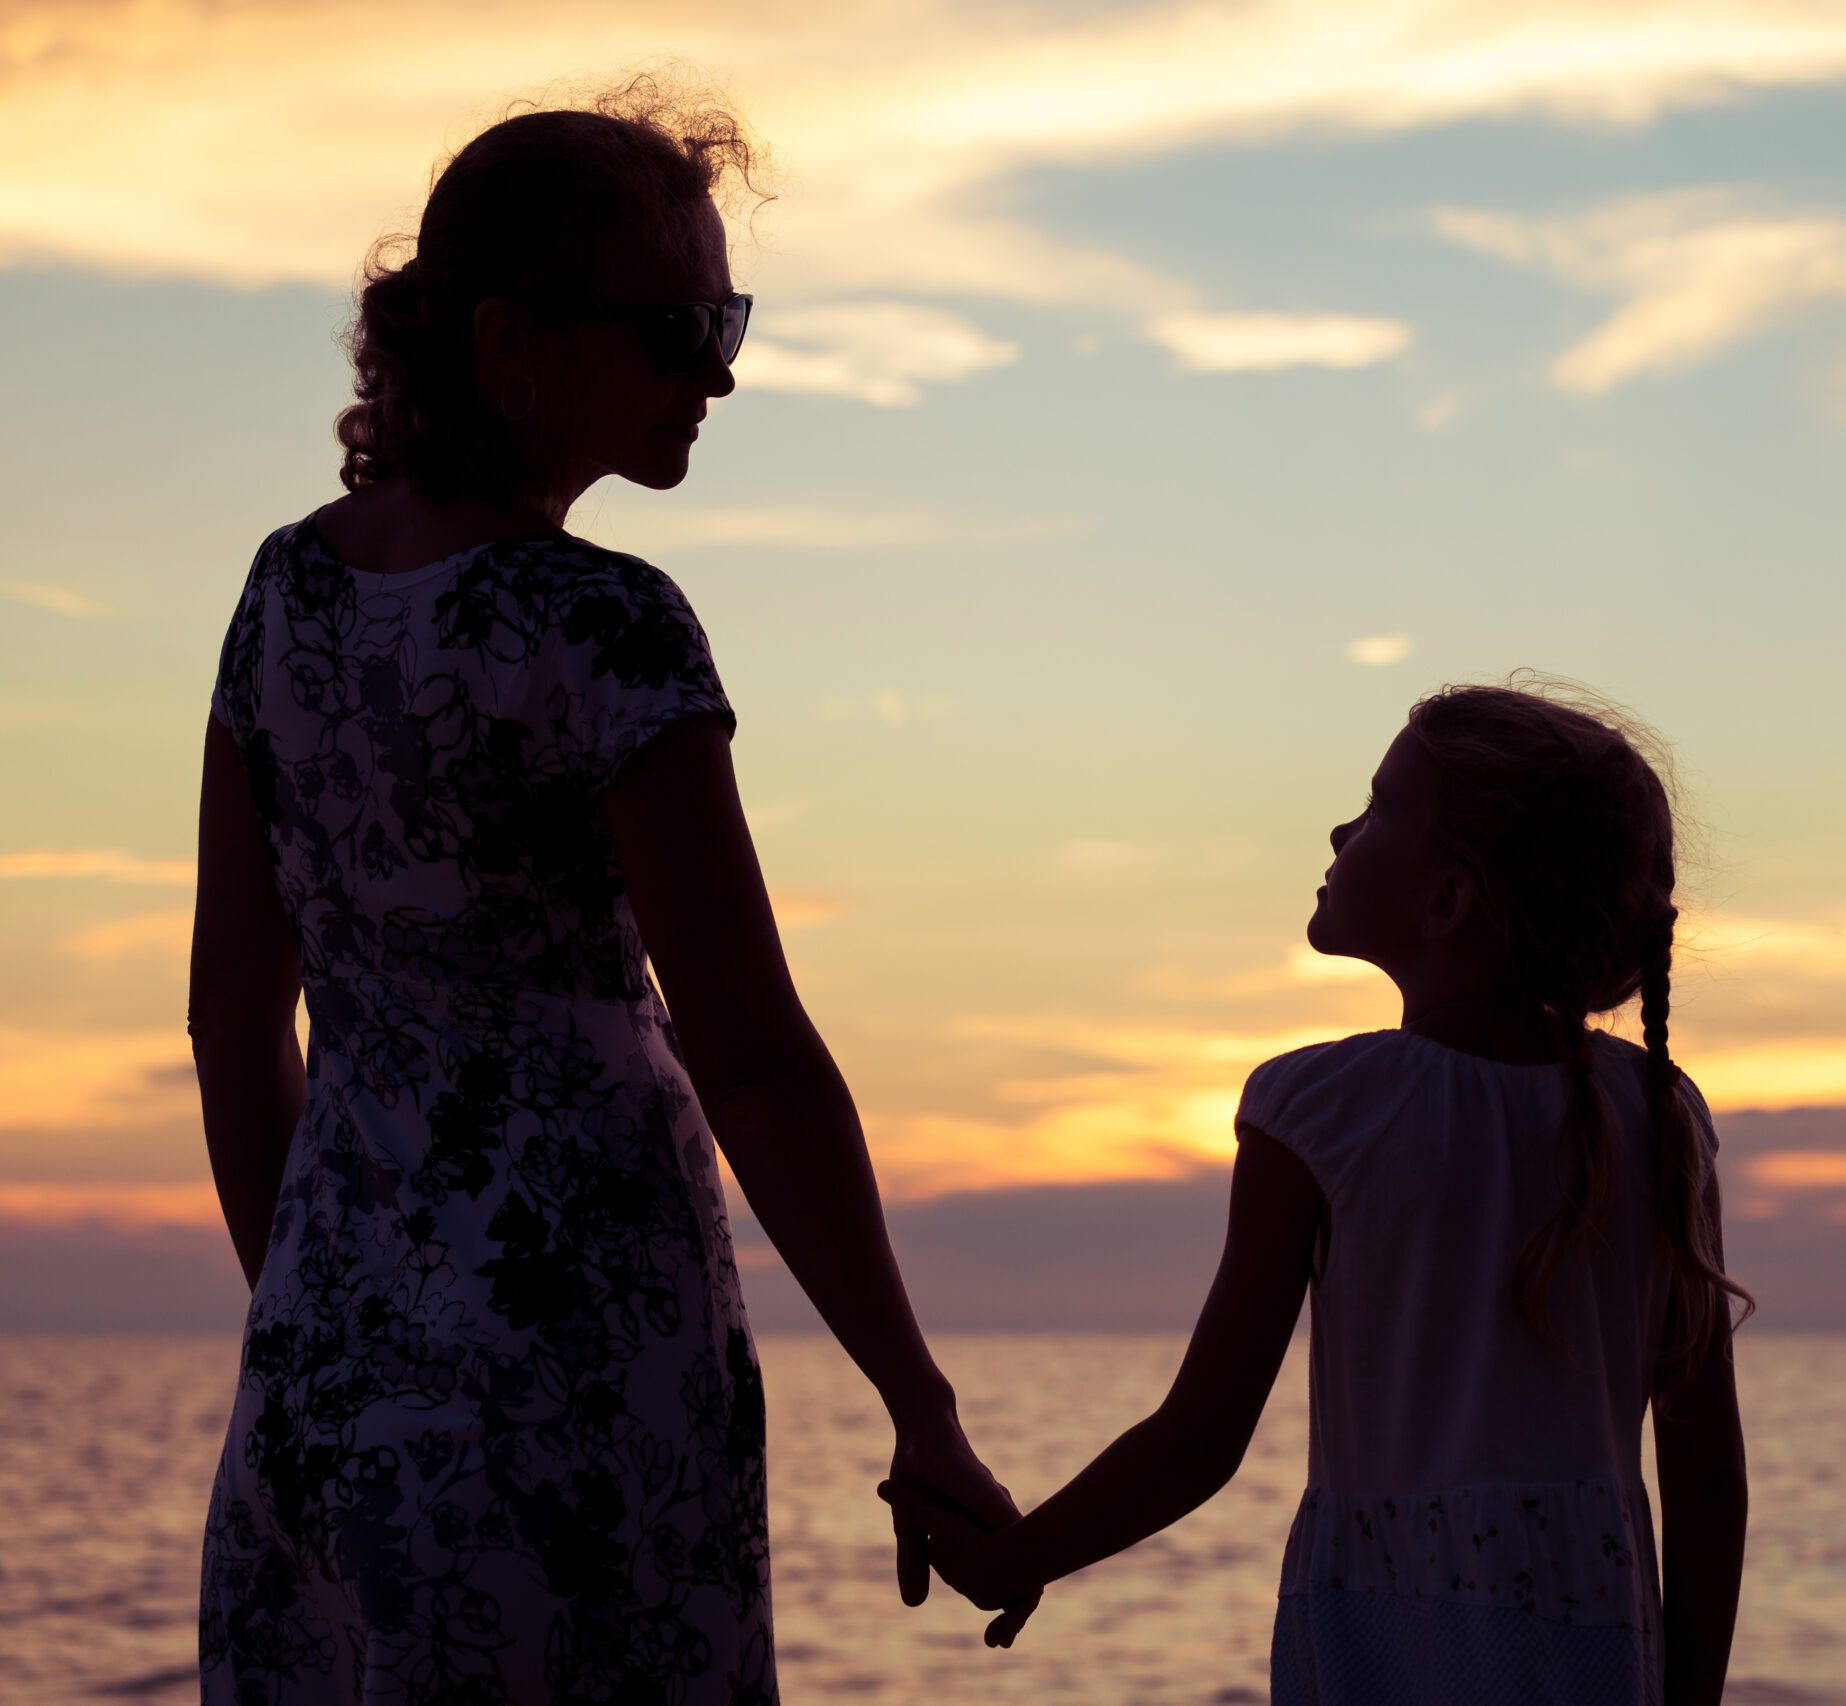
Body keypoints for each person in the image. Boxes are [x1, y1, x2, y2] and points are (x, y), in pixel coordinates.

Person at [189, 81, 1027, 1704]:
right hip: (577, 1379)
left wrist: (330, 1324)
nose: (715, 370)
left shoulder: (283, 592)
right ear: (507, 342)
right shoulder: (607, 626)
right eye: (672, 326)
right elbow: (756, 1054)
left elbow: (239, 1022)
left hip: (322, 1382)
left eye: (732, 318)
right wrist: (917, 1403)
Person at [885, 680, 1753, 1702]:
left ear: (1446, 899)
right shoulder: (1657, 1113)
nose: (1341, 827)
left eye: (1380, 804)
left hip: (1385, 1630)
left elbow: (1199, 1438)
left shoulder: (1323, 1106)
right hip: (1587, 1637)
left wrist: (1012, 1556)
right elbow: (1705, 1477)